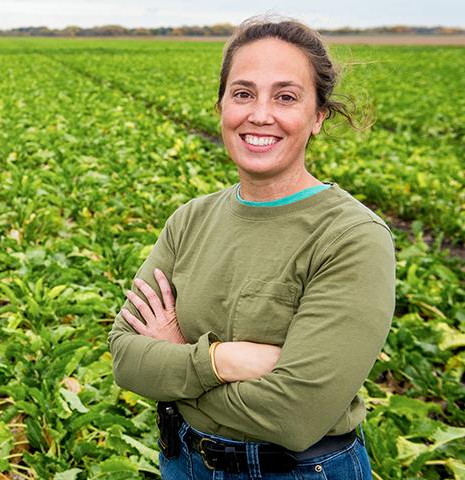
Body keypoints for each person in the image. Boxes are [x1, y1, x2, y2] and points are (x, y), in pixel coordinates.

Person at [108, 17, 395, 480]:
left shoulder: (351, 237)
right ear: (221, 105)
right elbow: (125, 356)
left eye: (286, 96)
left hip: (298, 471)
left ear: (318, 115)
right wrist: (224, 360)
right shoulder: (190, 220)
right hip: (183, 461)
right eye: (243, 93)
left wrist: (176, 359)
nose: (260, 114)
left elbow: (295, 415)